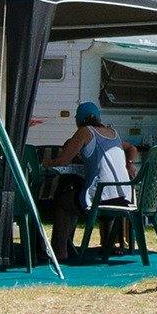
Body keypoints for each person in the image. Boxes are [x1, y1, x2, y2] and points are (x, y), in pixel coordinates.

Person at [46, 102, 129, 263]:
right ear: (98, 117)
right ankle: (109, 244)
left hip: (101, 197)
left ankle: (60, 250)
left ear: (79, 120)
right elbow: (129, 148)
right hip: (124, 196)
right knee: (79, 193)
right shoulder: (114, 133)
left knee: (63, 201)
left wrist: (47, 162)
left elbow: (63, 161)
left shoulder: (84, 132)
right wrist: (130, 163)